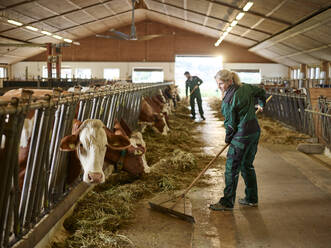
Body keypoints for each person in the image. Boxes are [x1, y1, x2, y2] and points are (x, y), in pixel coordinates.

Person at [209, 69, 266, 211]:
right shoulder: (245, 87)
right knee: (247, 165)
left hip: (241, 137)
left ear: (229, 81)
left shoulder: (228, 99)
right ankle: (252, 199)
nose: (219, 87)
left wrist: (228, 139)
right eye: (218, 84)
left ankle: (227, 203)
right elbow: (261, 92)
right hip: (254, 132)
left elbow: (230, 124)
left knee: (231, 169)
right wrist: (261, 103)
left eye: (221, 83)